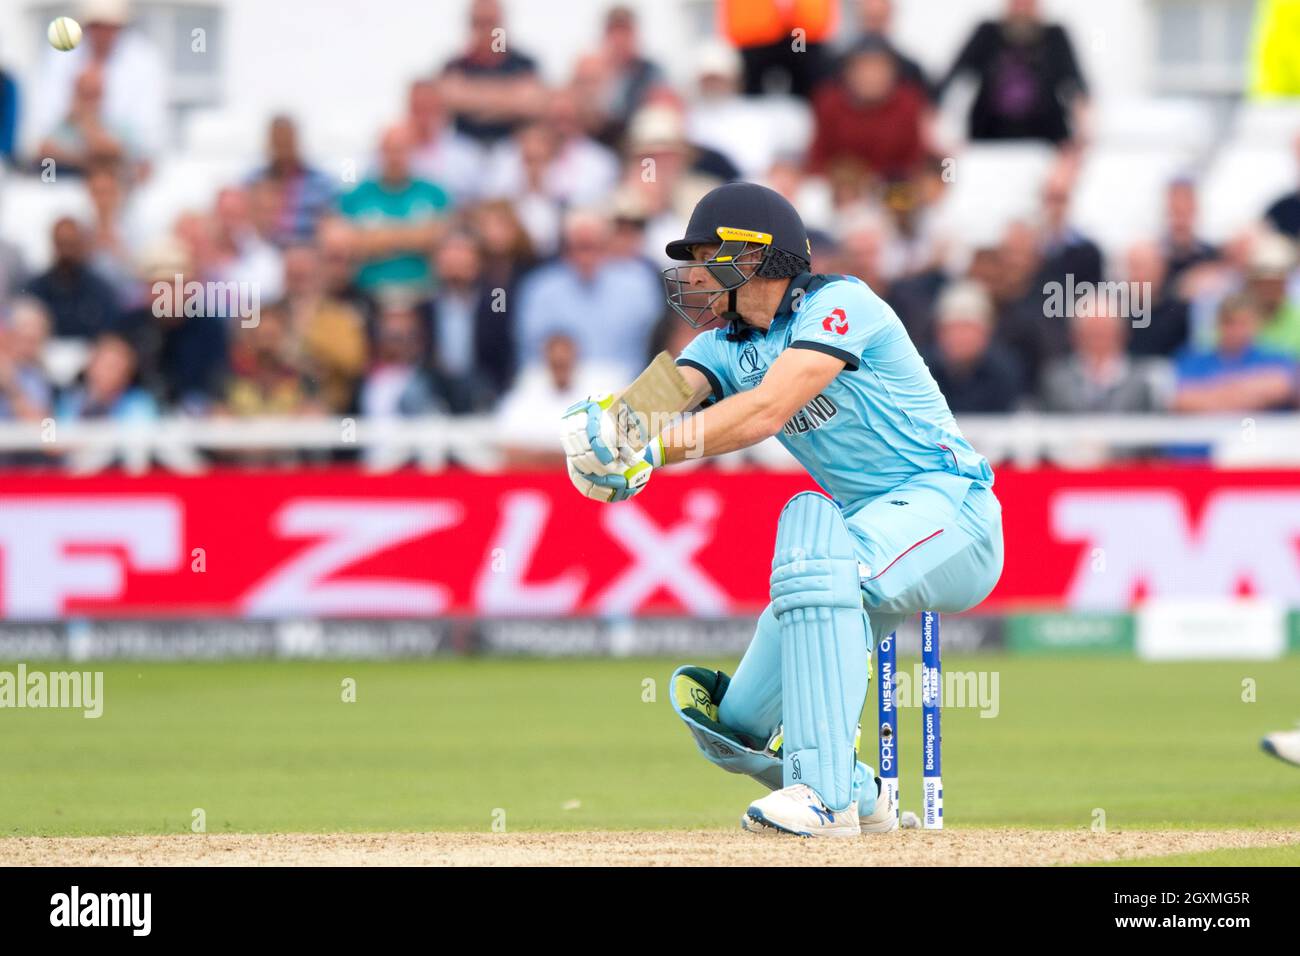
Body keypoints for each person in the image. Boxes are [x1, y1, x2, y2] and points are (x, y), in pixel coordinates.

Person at [559, 183, 1004, 837]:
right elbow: (652, 402)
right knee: (731, 726)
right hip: (866, 531)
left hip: (952, 509)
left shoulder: (841, 305)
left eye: (710, 254)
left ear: (757, 256)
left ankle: (823, 799)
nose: (697, 273)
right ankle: (866, 798)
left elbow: (766, 410)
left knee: (823, 568)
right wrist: (603, 437)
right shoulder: (718, 346)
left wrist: (649, 448)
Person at [937, 0, 1087, 144]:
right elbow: (953, 78)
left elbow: (1076, 85)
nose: (1021, 8)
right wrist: (939, 128)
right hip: (990, 137)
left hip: (1044, 139)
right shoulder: (987, 34)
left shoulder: (1054, 37)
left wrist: (1082, 130)